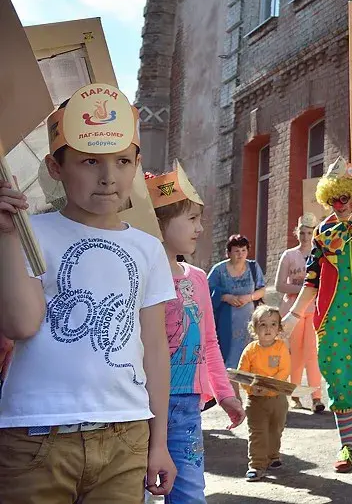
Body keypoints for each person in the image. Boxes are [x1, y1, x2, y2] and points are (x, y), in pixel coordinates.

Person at [0, 84, 177, 500]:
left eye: (121, 162)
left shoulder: (148, 249)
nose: (107, 177)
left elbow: (154, 347)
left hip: (126, 436)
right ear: (55, 167)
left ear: (136, 164)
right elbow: (21, 324)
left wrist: (160, 442)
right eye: (89, 161)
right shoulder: (27, 233)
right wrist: (7, 237)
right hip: (35, 436)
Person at [149, 162, 246, 503]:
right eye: (191, 219)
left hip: (187, 405)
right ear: (158, 224)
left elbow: (209, 342)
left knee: (190, 493)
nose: (200, 228)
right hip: (140, 408)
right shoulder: (139, 276)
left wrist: (224, 393)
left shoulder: (197, 278)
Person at [281, 158, 352, 472]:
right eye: (333, 200)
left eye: (345, 199)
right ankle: (345, 447)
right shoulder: (324, 232)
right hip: (334, 315)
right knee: (341, 381)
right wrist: (294, 316)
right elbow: (312, 278)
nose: (339, 205)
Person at [275, 213, 325, 412]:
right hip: (293, 309)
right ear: (297, 233)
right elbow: (279, 285)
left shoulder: (320, 254)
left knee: (312, 353)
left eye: (309, 233)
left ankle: (317, 397)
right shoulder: (289, 255)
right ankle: (294, 394)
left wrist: (310, 291)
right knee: (295, 353)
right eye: (302, 232)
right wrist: (304, 289)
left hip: (313, 309)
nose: (305, 237)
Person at [238, 306, 291, 482]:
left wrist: (268, 386)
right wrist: (251, 388)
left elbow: (284, 371)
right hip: (255, 401)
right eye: (263, 325)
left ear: (279, 328)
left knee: (276, 429)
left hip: (278, 398)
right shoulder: (250, 350)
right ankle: (257, 464)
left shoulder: (281, 348)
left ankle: (273, 455)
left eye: (273, 324)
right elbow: (242, 374)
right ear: (254, 328)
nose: (268, 329)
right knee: (258, 433)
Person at [208, 233, 266, 370]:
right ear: (228, 253)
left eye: (243, 250)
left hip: (250, 321)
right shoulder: (219, 270)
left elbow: (262, 290)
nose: (240, 254)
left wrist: (249, 297)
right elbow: (206, 290)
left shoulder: (253, 267)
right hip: (227, 323)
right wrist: (225, 297)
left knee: (252, 358)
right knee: (230, 359)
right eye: (236, 251)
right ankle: (232, 391)